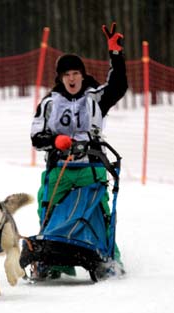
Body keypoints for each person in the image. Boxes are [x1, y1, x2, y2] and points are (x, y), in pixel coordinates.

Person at [29, 23, 128, 280]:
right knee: (47, 208)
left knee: (100, 210)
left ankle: (109, 258)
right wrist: (55, 141)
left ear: (83, 75)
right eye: (67, 74)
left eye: (76, 73)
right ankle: (49, 261)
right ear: (60, 78)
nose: (72, 79)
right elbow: (36, 137)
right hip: (60, 168)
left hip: (90, 167)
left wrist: (116, 55)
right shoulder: (49, 103)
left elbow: (118, 87)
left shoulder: (95, 98)